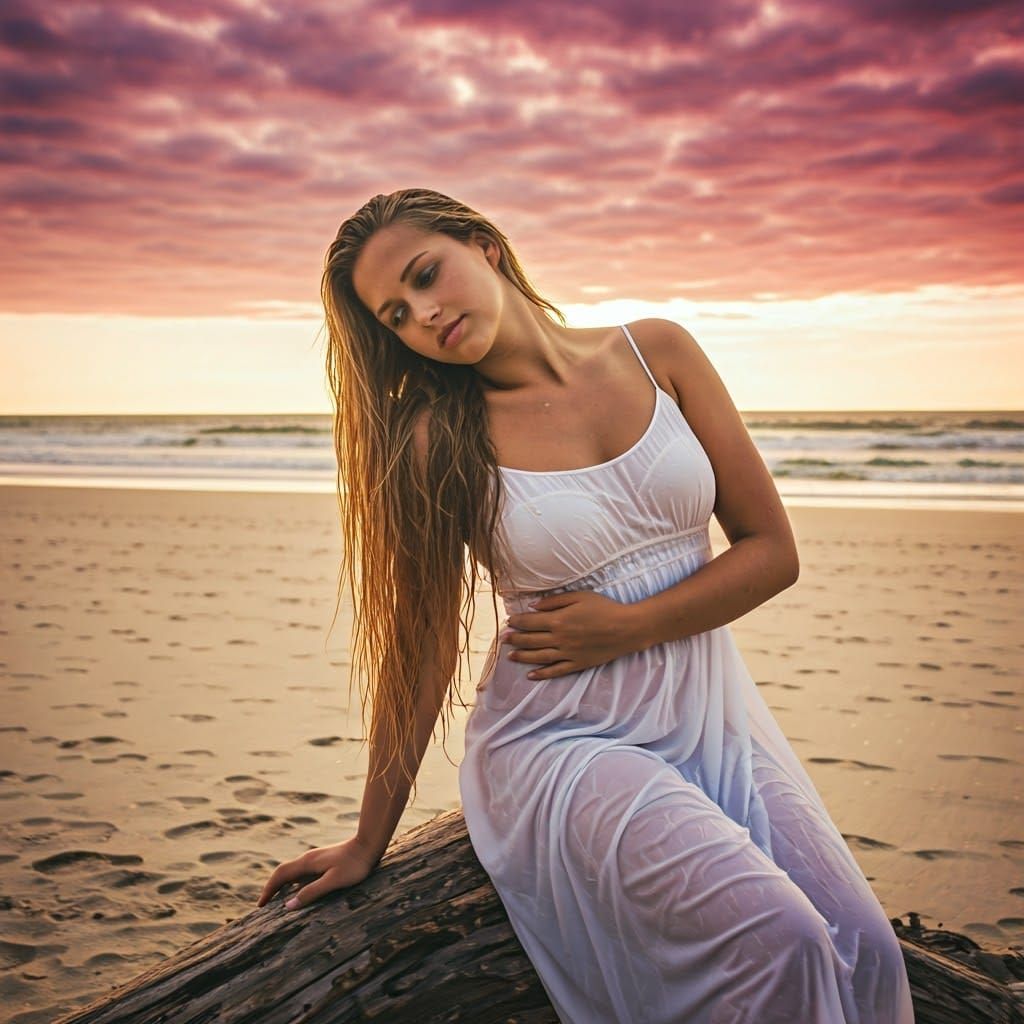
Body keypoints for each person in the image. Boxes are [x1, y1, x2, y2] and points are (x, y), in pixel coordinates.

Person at [257, 187, 915, 1023]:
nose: (423, 314)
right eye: (396, 314)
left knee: (865, 946)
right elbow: (419, 652)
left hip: (713, 719)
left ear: (484, 246)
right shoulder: (435, 439)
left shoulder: (657, 352)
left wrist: (630, 626)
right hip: (562, 741)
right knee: (780, 937)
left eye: (427, 276)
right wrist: (368, 840)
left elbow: (772, 552)